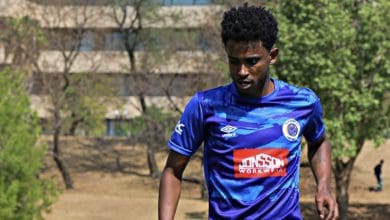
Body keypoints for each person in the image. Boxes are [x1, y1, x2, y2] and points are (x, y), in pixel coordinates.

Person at [158, 3, 338, 220]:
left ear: (272, 56)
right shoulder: (205, 105)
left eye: (252, 61)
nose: (242, 71)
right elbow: (172, 171)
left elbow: (319, 141)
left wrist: (324, 185)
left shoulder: (302, 103)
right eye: (234, 62)